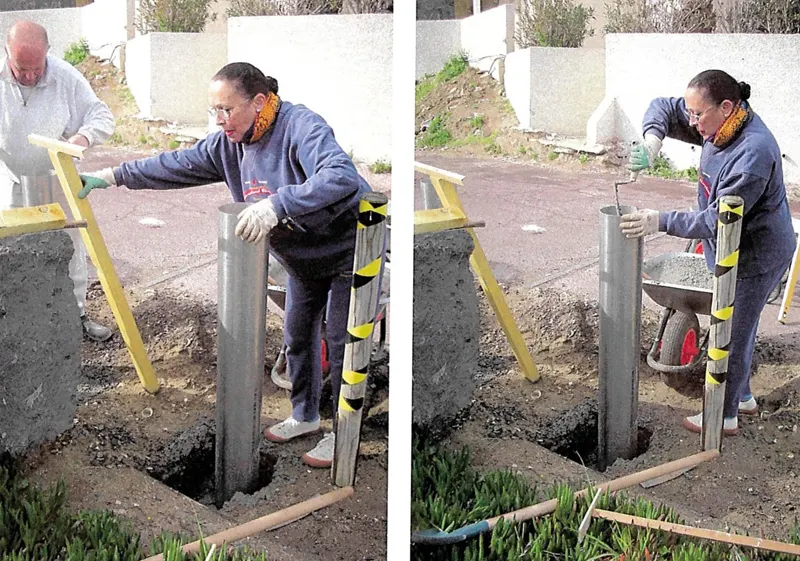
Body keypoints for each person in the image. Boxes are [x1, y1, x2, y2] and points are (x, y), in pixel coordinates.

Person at [78, 62, 373, 468]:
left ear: (258, 101)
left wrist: (278, 204)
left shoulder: (300, 126)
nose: (219, 121)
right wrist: (112, 175)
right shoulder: (228, 144)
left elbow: (340, 176)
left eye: (226, 110)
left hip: (348, 252)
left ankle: (344, 435)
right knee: (298, 336)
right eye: (213, 110)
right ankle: (304, 416)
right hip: (303, 261)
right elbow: (175, 164)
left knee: (341, 343)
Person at [620, 69, 795, 436]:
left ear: (727, 107)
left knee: (730, 329)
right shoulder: (713, 122)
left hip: (756, 254)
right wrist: (652, 141)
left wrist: (659, 221)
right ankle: (744, 396)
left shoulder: (752, 153)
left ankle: (724, 415)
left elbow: (718, 220)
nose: (691, 121)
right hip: (732, 246)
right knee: (739, 326)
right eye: (690, 112)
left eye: (698, 114)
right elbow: (662, 109)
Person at [0, 20, 115, 342]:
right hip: (9, 180)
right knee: (12, 248)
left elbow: (102, 116)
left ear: (47, 53)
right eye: (21, 68)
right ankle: (17, 320)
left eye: (36, 68)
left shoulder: (66, 77)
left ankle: (75, 315)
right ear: (7, 52)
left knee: (70, 247)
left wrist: (81, 138)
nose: (30, 76)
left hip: (57, 177)